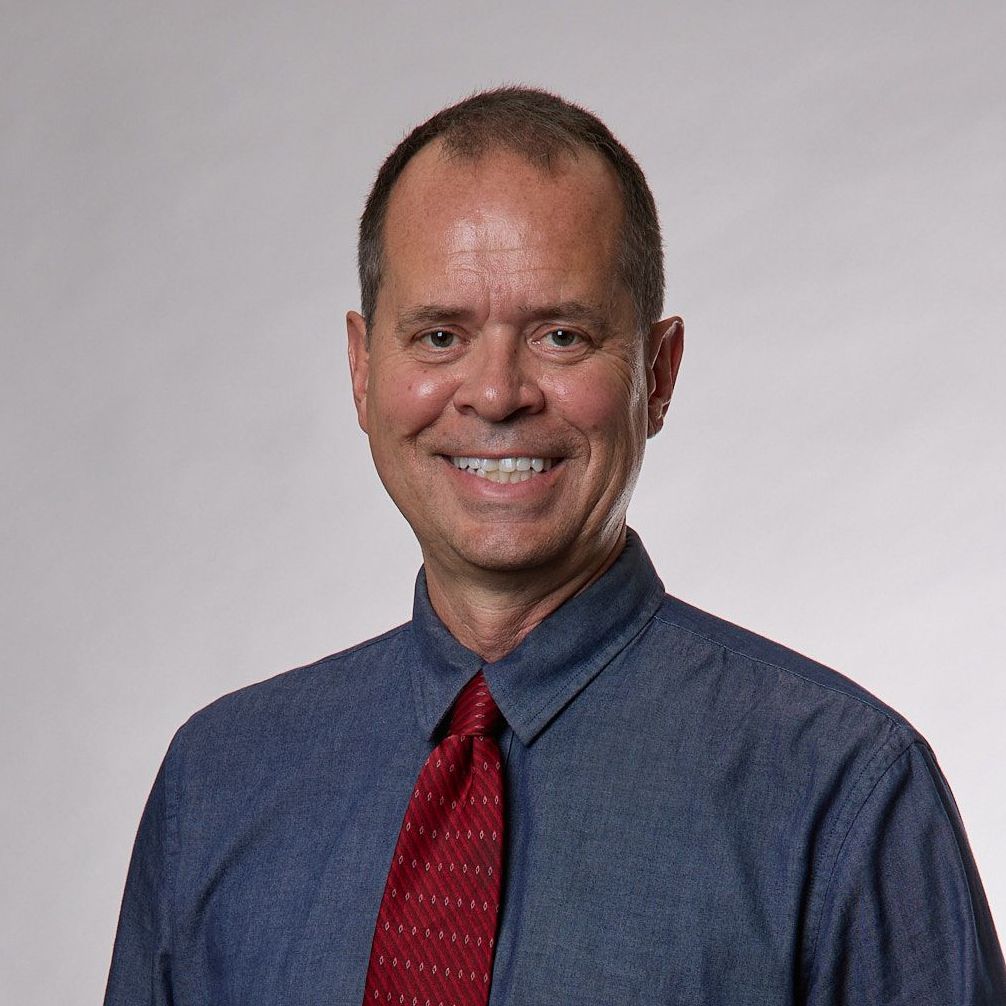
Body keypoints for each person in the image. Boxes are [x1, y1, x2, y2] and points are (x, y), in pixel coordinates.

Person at [105, 87, 1006, 1005]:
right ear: (363, 368)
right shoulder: (217, 783)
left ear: (657, 375)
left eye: (562, 336)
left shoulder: (846, 796)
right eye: (441, 335)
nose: (496, 394)